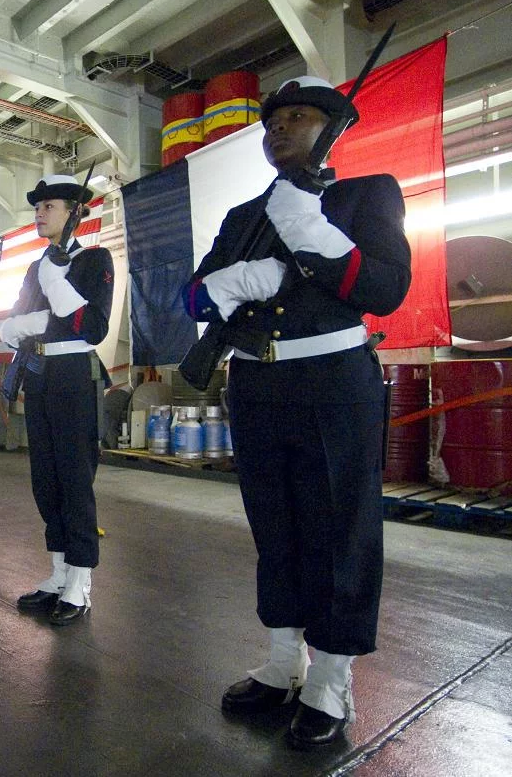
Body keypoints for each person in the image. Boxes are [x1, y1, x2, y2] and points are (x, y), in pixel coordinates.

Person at [183, 76, 411, 748]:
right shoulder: (241, 215)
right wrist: (234, 282)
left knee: (338, 527)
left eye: (298, 117)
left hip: (333, 382)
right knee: (274, 526)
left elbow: (384, 287)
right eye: (271, 120)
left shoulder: (367, 195)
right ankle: (283, 662)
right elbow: (194, 300)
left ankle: (329, 677)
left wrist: (310, 232)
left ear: (332, 128)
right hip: (254, 384)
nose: (277, 127)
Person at [1, 175, 114, 626]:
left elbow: (93, 328)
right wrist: (44, 313)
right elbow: (14, 323)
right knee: (44, 477)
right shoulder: (34, 267)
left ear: (75, 213)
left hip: (73, 374)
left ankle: (80, 582)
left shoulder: (94, 260)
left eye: (50, 206)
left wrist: (56, 289)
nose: (39, 212)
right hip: (40, 373)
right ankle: (58, 572)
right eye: (38, 206)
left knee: (74, 476)